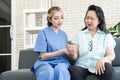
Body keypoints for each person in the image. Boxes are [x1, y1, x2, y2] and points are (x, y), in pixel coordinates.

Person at [67, 5, 116, 80]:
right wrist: (72, 53)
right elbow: (75, 56)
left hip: (99, 65)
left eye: (92, 19)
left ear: (99, 20)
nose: (88, 21)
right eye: (87, 18)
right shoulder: (80, 34)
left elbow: (111, 55)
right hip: (82, 66)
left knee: (108, 67)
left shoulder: (106, 35)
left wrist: (103, 60)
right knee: (73, 70)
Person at [31, 6, 70, 80]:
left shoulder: (64, 35)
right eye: (56, 18)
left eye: (62, 17)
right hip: (45, 62)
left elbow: (65, 53)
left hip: (60, 62)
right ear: (50, 19)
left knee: (61, 70)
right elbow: (43, 56)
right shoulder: (43, 33)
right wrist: (61, 51)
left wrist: (70, 52)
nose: (60, 21)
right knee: (48, 71)